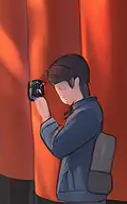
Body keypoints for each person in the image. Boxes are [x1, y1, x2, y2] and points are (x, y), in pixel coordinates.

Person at [32, 53, 107, 203]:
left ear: (76, 81)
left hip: (83, 193)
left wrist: (46, 118)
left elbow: (58, 146)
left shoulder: (87, 113)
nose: (60, 94)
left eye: (61, 87)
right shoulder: (83, 110)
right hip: (82, 191)